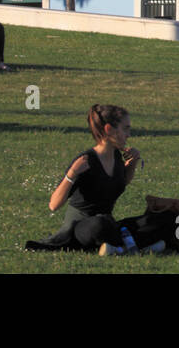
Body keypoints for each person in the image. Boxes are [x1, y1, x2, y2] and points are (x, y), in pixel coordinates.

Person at [27, 105, 142, 252]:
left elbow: (121, 182)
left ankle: (117, 245)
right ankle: (129, 243)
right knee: (100, 225)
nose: (129, 134)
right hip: (82, 227)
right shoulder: (85, 161)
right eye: (125, 129)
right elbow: (53, 205)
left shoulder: (116, 156)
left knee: (155, 219)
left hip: (107, 221)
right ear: (108, 129)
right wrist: (72, 174)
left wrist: (132, 163)